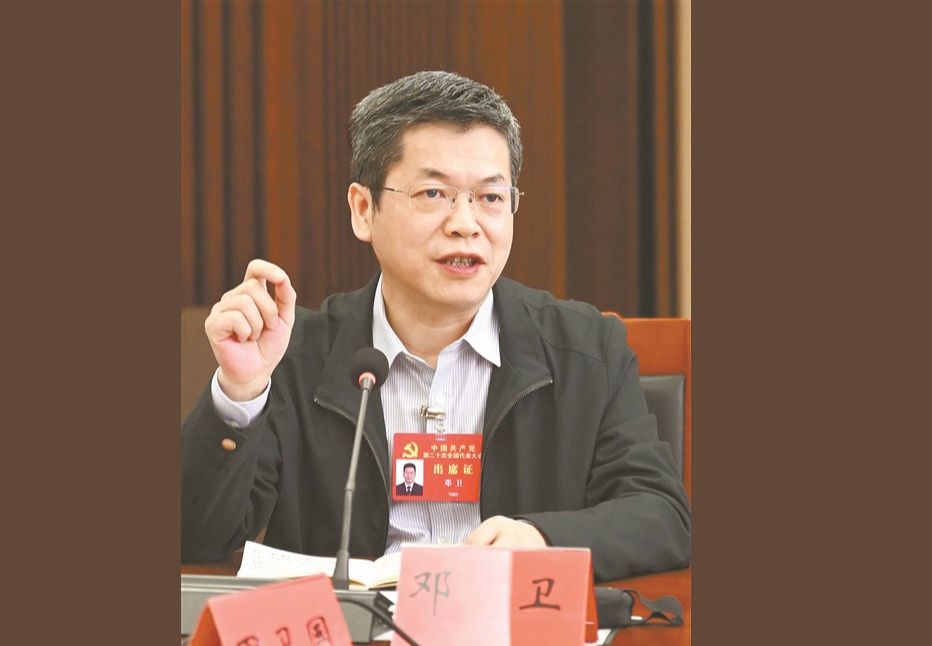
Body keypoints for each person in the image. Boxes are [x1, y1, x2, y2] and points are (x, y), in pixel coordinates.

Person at [181, 70, 690, 581]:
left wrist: (542, 539)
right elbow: (194, 537)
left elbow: (663, 515)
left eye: (491, 197)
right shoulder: (295, 357)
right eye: (432, 194)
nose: (465, 224)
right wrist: (240, 393)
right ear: (363, 210)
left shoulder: (587, 351)